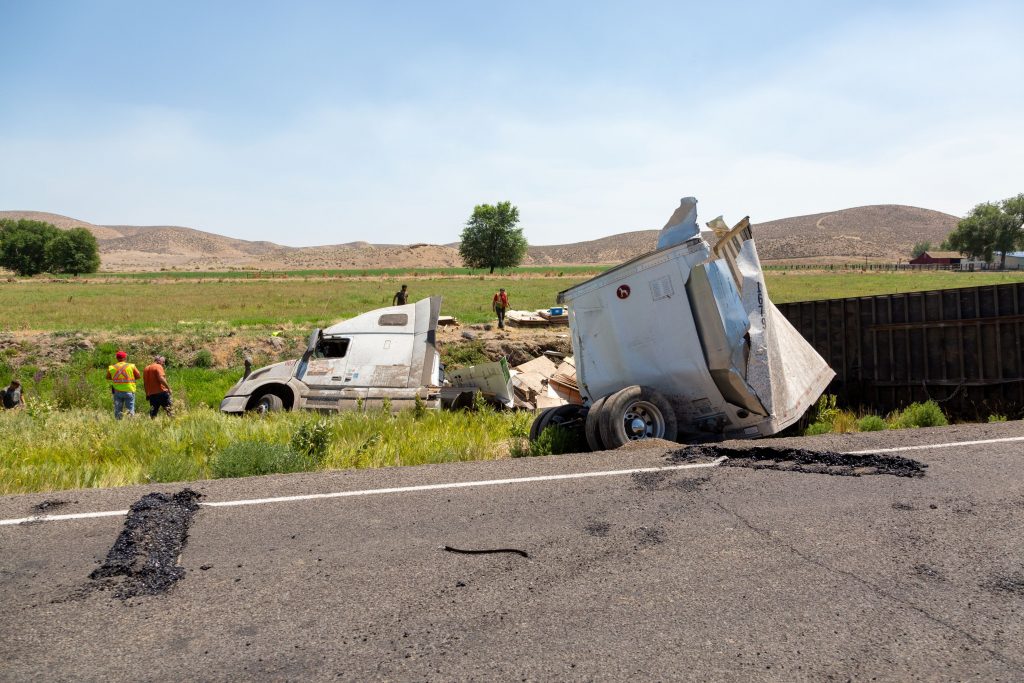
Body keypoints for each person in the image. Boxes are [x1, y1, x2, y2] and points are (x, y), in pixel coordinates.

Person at [106, 350, 141, 419]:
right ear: (125, 358)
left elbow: (108, 377)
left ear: (117, 358)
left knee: (118, 410)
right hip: (129, 390)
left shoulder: (112, 367)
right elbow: (138, 376)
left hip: (117, 391)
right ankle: (130, 425)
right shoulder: (131, 366)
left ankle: (118, 424)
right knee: (130, 410)